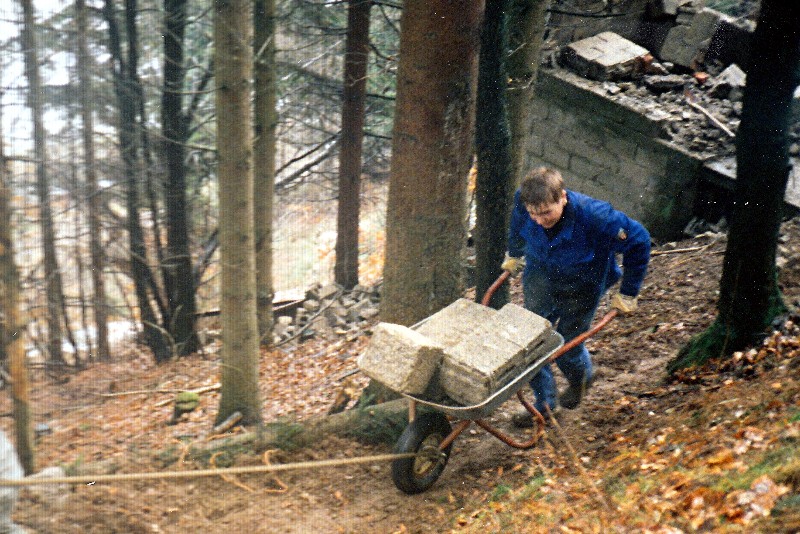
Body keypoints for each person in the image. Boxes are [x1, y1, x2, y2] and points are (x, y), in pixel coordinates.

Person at [501, 167, 650, 426]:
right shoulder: (524, 200)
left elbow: (639, 240)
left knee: (567, 347)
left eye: (546, 212)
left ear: (563, 197)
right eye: (534, 213)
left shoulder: (596, 216)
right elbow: (518, 222)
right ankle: (546, 406)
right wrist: (514, 253)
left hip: (582, 283)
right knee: (530, 341)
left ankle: (582, 379)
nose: (539, 220)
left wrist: (628, 293)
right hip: (541, 274)